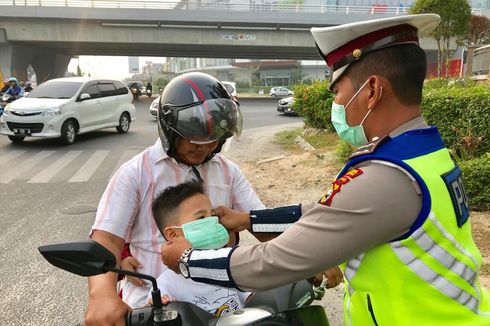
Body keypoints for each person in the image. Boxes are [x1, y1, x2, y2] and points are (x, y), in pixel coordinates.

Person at [161, 14, 490, 325]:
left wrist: (188, 261)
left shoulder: (387, 176)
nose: (337, 103)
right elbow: (331, 211)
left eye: (339, 92)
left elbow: (274, 261)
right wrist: (249, 219)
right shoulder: (424, 153)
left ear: (372, 91)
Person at [85, 72, 264, 325]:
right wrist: (101, 295)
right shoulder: (135, 173)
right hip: (154, 307)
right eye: (195, 140)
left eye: (214, 140)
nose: (206, 148)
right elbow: (106, 241)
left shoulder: (227, 171)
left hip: (225, 303)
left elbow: (261, 220)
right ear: (169, 130)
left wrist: (305, 255)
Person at [149, 180, 253, 316]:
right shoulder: (165, 285)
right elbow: (156, 311)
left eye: (212, 216)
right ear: (173, 234)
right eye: (201, 218)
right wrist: (161, 309)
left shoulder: (227, 261)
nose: (212, 222)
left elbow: (252, 298)